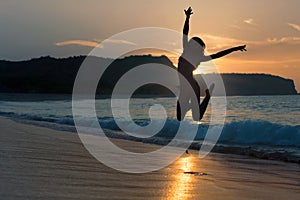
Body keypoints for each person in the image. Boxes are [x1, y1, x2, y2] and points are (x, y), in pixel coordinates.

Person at [177, 7, 247, 121]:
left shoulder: (198, 58)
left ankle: (207, 96)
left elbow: (218, 54)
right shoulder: (186, 52)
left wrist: (235, 49)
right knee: (180, 117)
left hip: (193, 87)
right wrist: (187, 18)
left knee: (197, 117)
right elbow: (185, 33)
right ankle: (190, 105)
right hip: (184, 88)